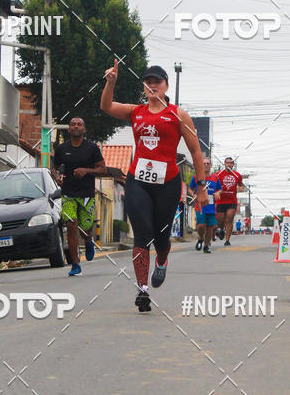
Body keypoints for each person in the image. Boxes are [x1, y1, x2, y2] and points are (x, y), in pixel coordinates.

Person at [101, 61, 208, 311]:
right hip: (138, 180)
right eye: (148, 81)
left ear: (165, 86)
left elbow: (194, 150)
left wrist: (201, 186)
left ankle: (162, 260)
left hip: (167, 184)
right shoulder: (135, 111)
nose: (152, 85)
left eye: (157, 82)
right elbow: (106, 106)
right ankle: (142, 290)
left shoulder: (178, 114)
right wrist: (110, 83)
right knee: (142, 234)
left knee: (161, 239)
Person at [52, 117, 107, 276]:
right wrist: (56, 176)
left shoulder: (92, 148)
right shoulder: (62, 149)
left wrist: (86, 171)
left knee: (84, 229)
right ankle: (75, 264)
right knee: (70, 226)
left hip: (86, 194)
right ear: (69, 129)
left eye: (79, 124)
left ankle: (88, 241)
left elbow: (103, 169)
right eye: (73, 124)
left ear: (84, 129)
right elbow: (54, 168)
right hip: (68, 194)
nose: (76, 126)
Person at [189, 156, 221, 253]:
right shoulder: (196, 177)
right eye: (204, 164)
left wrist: (218, 193)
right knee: (201, 225)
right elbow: (190, 188)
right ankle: (200, 238)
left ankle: (206, 246)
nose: (206, 165)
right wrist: (193, 194)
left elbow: (220, 189)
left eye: (208, 163)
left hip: (211, 206)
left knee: (210, 227)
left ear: (211, 165)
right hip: (200, 205)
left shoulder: (215, 177)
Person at [214, 156, 245, 246]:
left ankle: (227, 240)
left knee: (229, 218)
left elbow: (241, 185)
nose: (229, 164)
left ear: (233, 165)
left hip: (231, 201)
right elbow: (213, 185)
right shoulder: (218, 174)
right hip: (220, 201)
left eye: (231, 163)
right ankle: (221, 229)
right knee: (220, 220)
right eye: (227, 162)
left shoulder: (237, 175)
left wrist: (240, 188)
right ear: (224, 164)